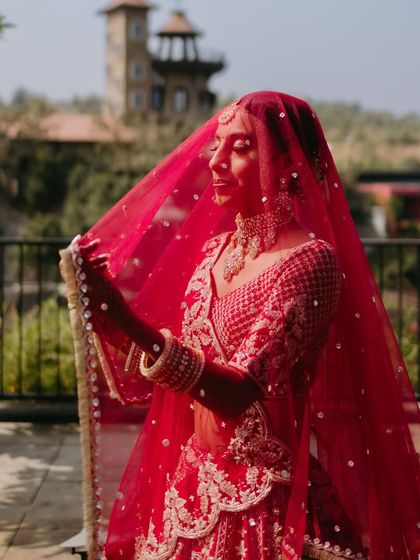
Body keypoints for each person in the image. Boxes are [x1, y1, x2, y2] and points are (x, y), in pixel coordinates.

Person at [60, 91, 420, 560]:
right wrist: (102, 310)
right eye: (217, 145)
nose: (216, 161)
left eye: (241, 147)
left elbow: (236, 391)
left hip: (266, 505)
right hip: (192, 488)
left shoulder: (309, 262)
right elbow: (170, 376)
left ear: (289, 163)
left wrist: (127, 320)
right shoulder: (216, 253)